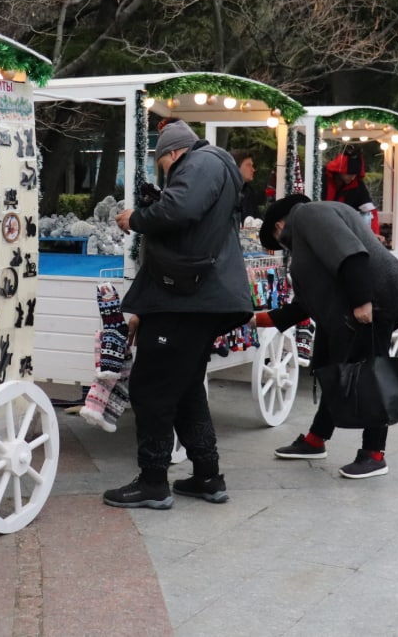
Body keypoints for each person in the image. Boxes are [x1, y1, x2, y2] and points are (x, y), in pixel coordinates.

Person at [108, 120, 253, 508]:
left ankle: (153, 481)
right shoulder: (214, 165)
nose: (167, 174)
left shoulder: (200, 161)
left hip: (188, 300)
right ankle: (207, 476)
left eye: (164, 166)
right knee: (187, 388)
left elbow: (180, 208)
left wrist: (136, 218)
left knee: (151, 386)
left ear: (172, 154)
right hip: (195, 297)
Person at [257, 195, 398, 478]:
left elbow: (352, 254)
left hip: (372, 303)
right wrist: (261, 319)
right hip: (352, 308)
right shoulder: (312, 219)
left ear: (279, 225)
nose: (285, 246)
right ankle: (316, 439)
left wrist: (362, 301)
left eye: (280, 241)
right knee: (333, 368)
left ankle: (374, 454)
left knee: (371, 375)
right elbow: (308, 301)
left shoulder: (308, 215)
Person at [325, 145, 380, 236]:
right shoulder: (323, 180)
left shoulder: (357, 184)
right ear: (340, 170)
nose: (352, 177)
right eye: (349, 174)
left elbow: (369, 211)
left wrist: (375, 233)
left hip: (347, 230)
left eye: (355, 174)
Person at [230, 148, 265, 220]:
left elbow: (256, 217)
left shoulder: (249, 191)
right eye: (248, 165)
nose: (253, 169)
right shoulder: (226, 190)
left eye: (252, 165)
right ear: (236, 167)